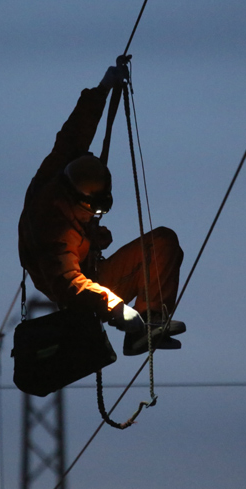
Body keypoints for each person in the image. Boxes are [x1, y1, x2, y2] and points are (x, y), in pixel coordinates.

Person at [18, 58, 185, 356]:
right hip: (77, 288)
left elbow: (74, 132)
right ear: (76, 199)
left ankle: (148, 323)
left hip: (89, 269)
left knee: (163, 242)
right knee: (86, 285)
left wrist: (103, 88)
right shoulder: (52, 227)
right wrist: (116, 309)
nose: (95, 217)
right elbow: (69, 283)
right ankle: (135, 326)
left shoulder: (62, 166)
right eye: (92, 212)